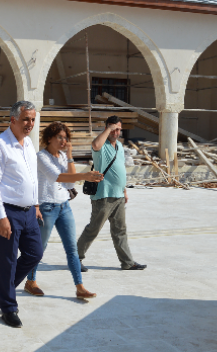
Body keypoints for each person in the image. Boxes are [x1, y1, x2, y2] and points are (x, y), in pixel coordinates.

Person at [25, 121, 103, 299]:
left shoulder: (61, 156)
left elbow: (68, 183)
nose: (63, 140)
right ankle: (30, 281)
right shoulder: (41, 157)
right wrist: (85, 175)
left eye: (65, 138)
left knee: (72, 250)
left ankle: (80, 287)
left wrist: (69, 155)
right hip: (46, 207)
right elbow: (56, 177)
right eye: (59, 137)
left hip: (64, 206)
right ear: (49, 138)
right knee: (39, 248)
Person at [0, 100, 44, 329]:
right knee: (7, 261)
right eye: (26, 119)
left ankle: (3, 287)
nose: (30, 124)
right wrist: (1, 217)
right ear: (13, 120)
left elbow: (33, 177)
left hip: (29, 212)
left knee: (34, 253)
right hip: (7, 211)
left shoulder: (28, 143)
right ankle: (9, 307)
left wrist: (36, 204)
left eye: (32, 119)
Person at [76, 116, 147, 271]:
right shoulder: (101, 146)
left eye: (119, 129)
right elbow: (95, 144)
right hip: (104, 195)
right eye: (114, 128)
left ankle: (127, 262)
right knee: (93, 229)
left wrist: (124, 190)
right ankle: (75, 259)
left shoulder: (120, 147)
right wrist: (108, 128)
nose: (117, 131)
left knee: (120, 230)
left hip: (118, 195)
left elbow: (119, 168)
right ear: (107, 128)